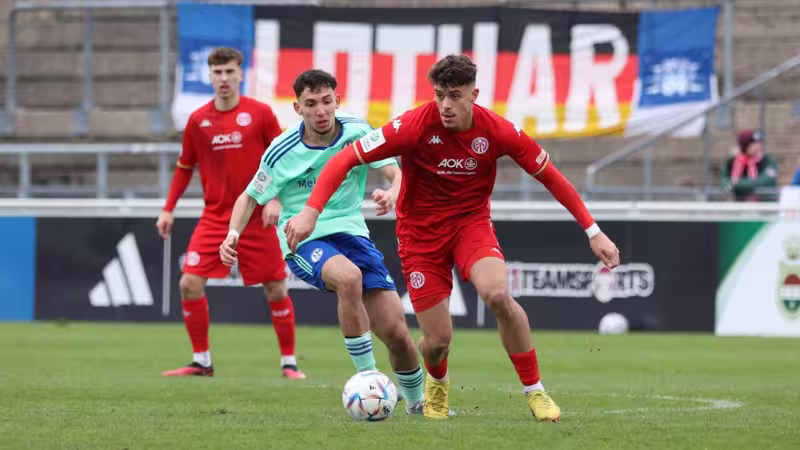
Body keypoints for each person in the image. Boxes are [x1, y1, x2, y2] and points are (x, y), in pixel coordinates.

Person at [285, 55, 620, 421]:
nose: (445, 104)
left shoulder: (498, 130)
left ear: (474, 95)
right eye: (439, 94)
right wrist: (311, 211)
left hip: (470, 226)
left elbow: (551, 176)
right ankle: (438, 383)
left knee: (496, 294)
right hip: (420, 237)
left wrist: (594, 232)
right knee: (437, 341)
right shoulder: (413, 124)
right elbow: (343, 159)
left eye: (455, 96)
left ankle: (535, 390)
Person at [219, 69, 426, 413]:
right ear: (298, 108)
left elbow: (397, 173)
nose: (321, 111)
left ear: (337, 101)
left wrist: (393, 192)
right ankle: (368, 379)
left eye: (326, 101)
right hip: (304, 239)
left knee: (397, 333)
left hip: (354, 235)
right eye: (311, 103)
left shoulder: (358, 131)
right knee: (349, 278)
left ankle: (418, 404)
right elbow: (250, 196)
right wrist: (232, 234)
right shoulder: (281, 150)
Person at [156, 47, 305, 379]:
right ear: (210, 76)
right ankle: (202, 361)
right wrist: (168, 209)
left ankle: (289, 363)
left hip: (256, 215)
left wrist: (275, 200)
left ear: (241, 74)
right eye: (218, 72)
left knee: (276, 288)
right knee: (189, 283)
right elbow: (184, 167)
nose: (224, 78)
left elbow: (283, 160)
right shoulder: (198, 121)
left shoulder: (260, 114)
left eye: (229, 72)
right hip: (215, 218)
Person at [722, 129, 778, 201]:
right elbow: (724, 181)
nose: (758, 146)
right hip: (740, 203)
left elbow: (766, 181)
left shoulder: (766, 160)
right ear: (745, 146)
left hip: (764, 204)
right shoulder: (733, 161)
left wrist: (735, 184)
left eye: (758, 143)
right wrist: (732, 184)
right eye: (753, 144)